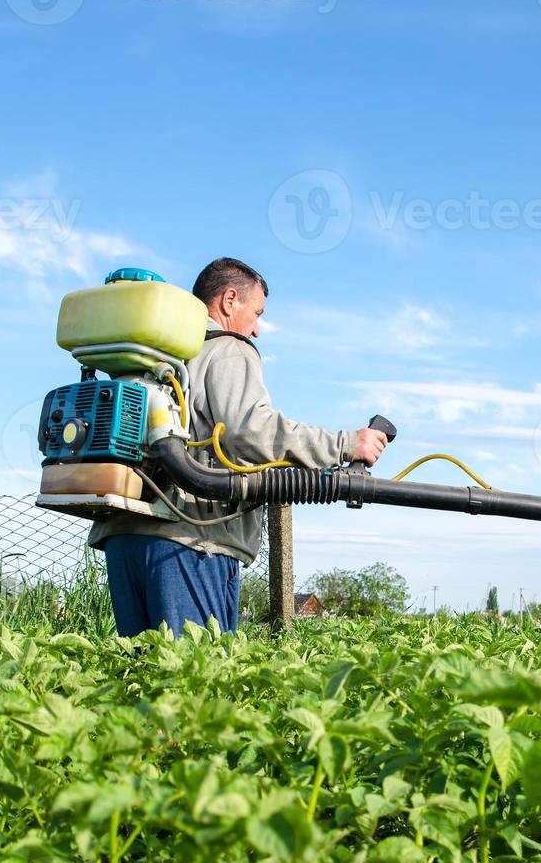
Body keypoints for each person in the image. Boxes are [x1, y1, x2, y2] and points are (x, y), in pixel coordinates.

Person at [88, 257, 390, 638]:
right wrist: (346, 444)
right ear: (230, 300)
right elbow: (250, 430)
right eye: (257, 312)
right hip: (191, 540)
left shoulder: (156, 354)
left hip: (124, 535)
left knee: (138, 678)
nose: (257, 330)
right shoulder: (228, 348)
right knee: (197, 682)